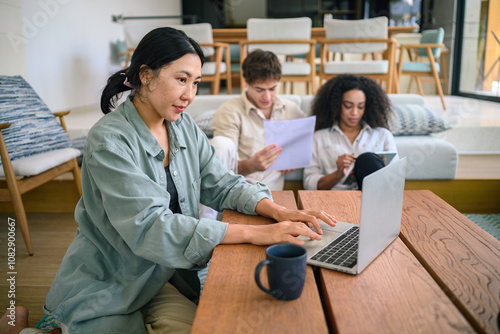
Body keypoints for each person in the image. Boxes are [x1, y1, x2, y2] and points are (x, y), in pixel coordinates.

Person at [0, 27, 336, 334]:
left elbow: (221, 183)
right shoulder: (108, 141)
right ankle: (18, 324)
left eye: (196, 82)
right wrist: (259, 233)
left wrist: (276, 211)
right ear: (145, 76)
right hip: (112, 277)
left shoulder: (182, 125)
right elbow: (151, 227)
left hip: (162, 273)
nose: (190, 93)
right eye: (181, 79)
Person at [211, 49, 307, 191]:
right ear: (245, 82)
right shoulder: (229, 112)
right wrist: (251, 165)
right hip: (237, 190)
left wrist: (294, 155)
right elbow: (222, 167)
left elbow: (309, 137)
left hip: (273, 193)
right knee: (220, 144)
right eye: (260, 90)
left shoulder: (290, 109)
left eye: (273, 88)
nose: (267, 97)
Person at [303, 74, 399, 191]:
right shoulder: (319, 138)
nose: (354, 113)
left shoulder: (383, 135)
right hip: (334, 199)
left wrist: (380, 168)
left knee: (368, 160)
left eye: (360, 107)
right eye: (348, 106)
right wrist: (338, 174)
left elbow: (396, 181)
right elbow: (309, 184)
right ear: (337, 105)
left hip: (373, 198)